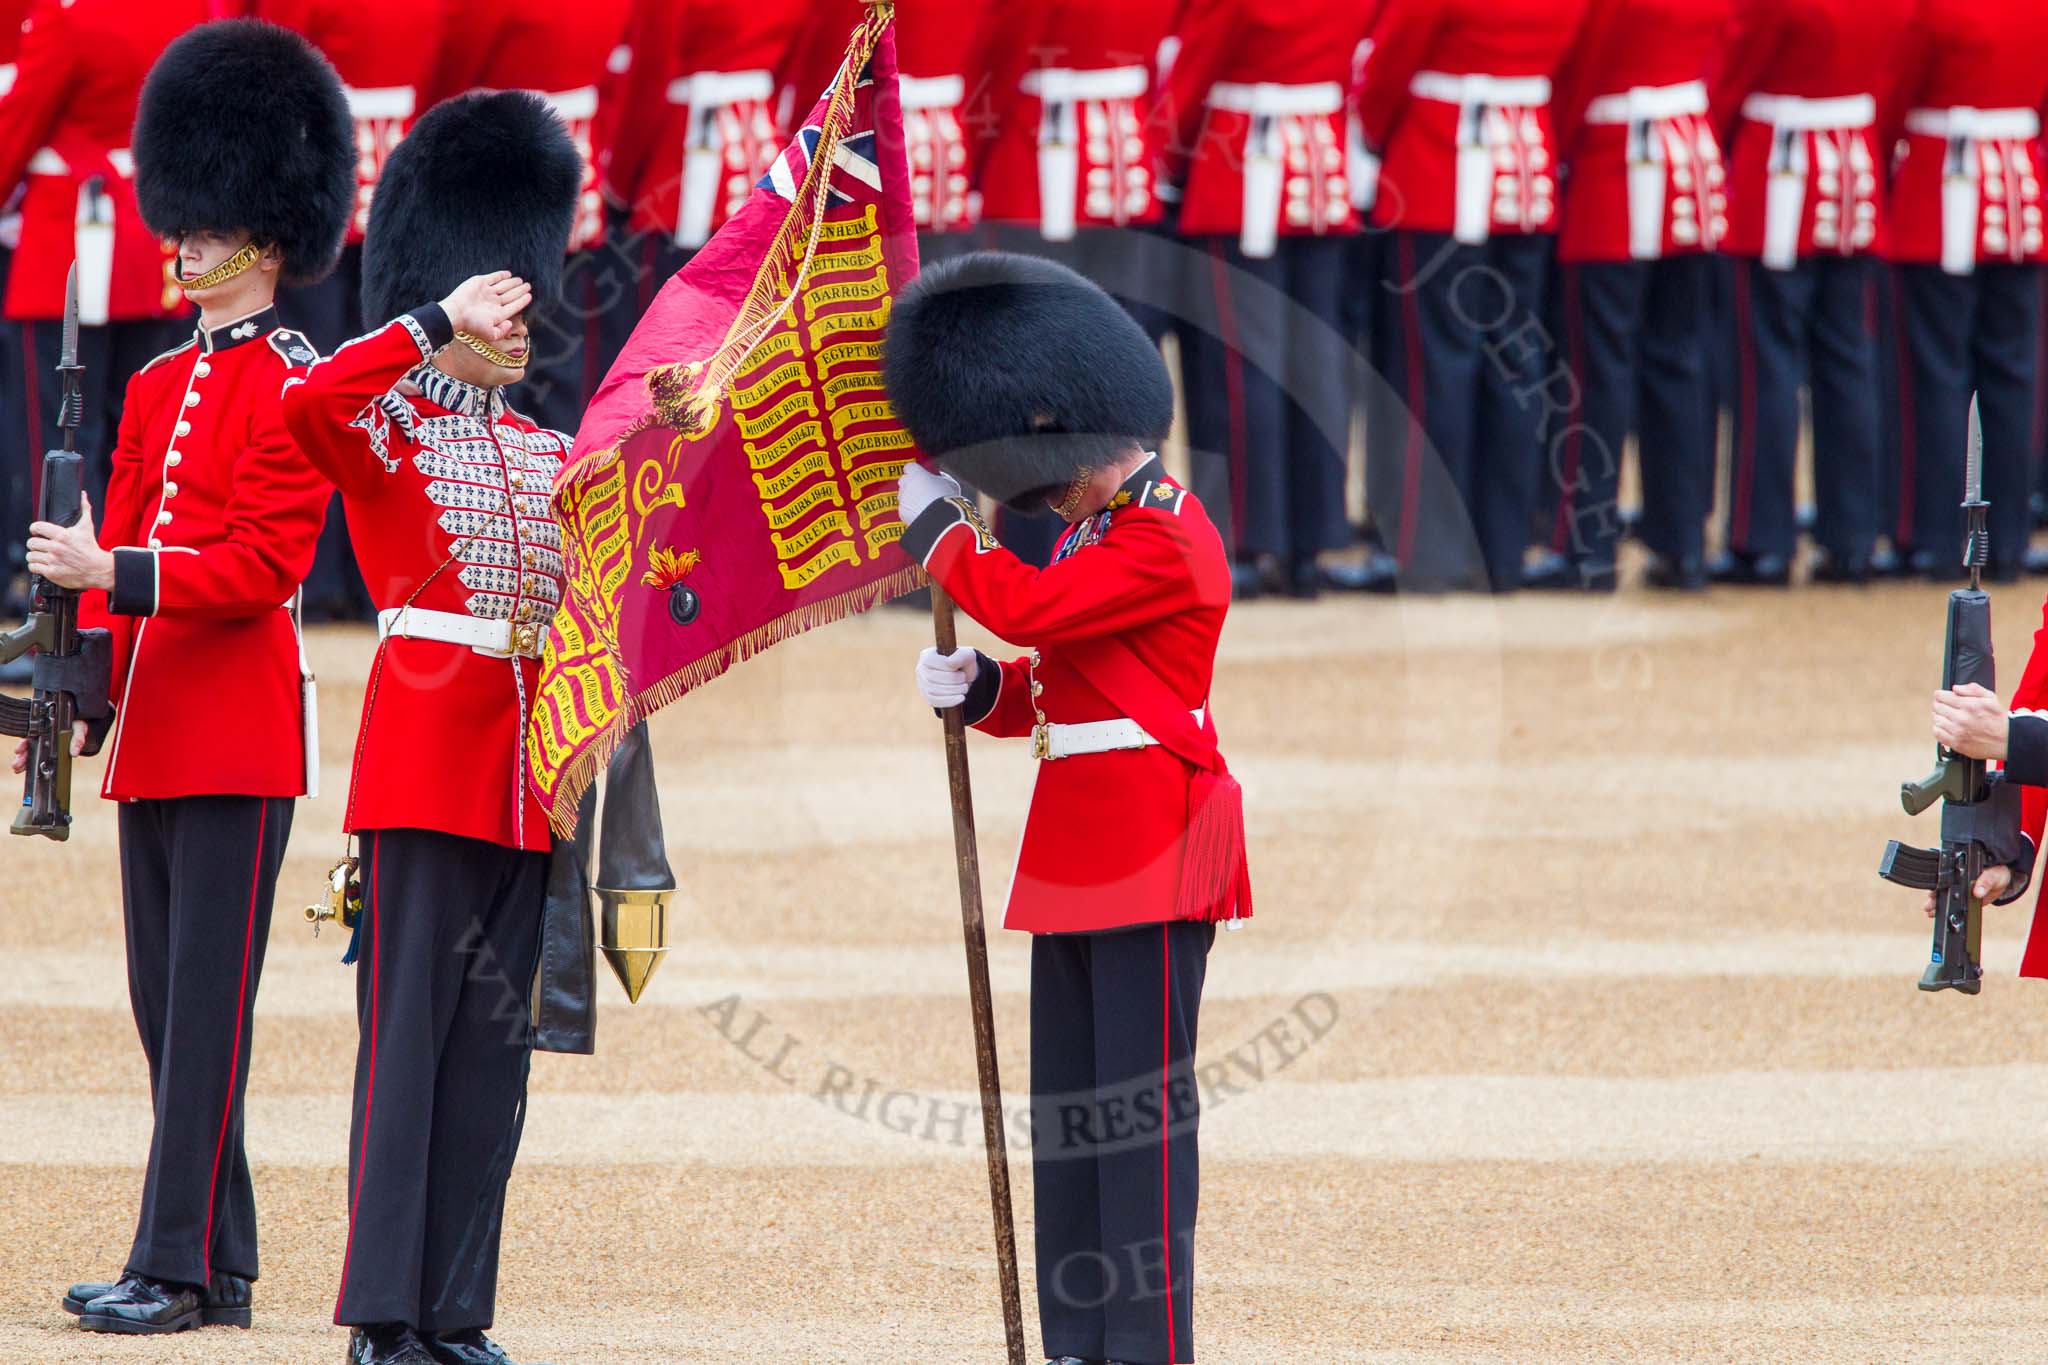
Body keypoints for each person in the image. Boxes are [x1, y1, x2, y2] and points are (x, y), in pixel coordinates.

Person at [20, 17, 349, 1336]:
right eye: (187, 219)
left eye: (211, 225)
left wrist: (112, 568)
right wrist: (66, 680)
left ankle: (171, 1263)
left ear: (269, 233)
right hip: (154, 731)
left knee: (205, 1013)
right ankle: (221, 1257)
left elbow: (261, 566)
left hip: (237, 734)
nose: (188, 239)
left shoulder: (297, 381)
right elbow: (131, 571)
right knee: (168, 1012)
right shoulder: (159, 379)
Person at [886, 251, 1252, 1365]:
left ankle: (1145, 1346)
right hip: (1082, 844)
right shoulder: (1101, 527)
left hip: (1149, 844)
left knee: (1135, 1131)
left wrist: (940, 536)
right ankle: (1082, 1340)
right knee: (1072, 1123)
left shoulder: (1166, 533)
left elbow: (1034, 609)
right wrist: (985, 692)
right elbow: (1066, 679)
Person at [279, 88, 583, 1365]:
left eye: (521, 302)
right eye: (497, 305)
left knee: (489, 1063)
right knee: (406, 1054)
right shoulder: (389, 430)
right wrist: (423, 319)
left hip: (527, 774)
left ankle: (455, 1309)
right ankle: (379, 1315)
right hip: (420, 765)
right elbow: (309, 409)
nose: (517, 323)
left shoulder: (550, 451)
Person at [1356, 0, 1590, 594]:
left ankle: (1425, 553)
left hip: (1440, 162)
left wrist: (1376, 136)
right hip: (1525, 167)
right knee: (1515, 369)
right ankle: (1501, 550)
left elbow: (1387, 67)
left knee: (1432, 370)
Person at [1158, 0, 1367, 600]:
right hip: (1320, 170)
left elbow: (1196, 73)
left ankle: (1246, 541)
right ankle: (1310, 542)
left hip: (1240, 163)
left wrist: (1169, 157)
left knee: (1237, 368)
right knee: (1317, 361)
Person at [1708, 0, 1913, 585]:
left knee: (1765, 367)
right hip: (1854, 171)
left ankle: (1763, 540)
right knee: (1849, 362)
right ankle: (1850, 538)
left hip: (1779, 173)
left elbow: (1731, 76)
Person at [1531, 0, 1730, 592]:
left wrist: (1554, 144)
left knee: (1597, 370)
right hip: (1689, 161)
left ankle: (1587, 545)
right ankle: (1682, 542)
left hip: (1616, 165)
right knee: (1679, 363)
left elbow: (1581, 71)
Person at [974, 0, 1179, 568]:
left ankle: (1036, 538)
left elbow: (1001, 52)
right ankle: (1129, 530)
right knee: (1119, 364)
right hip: (1124, 157)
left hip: (1038, 156)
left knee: (1036, 372)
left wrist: (977, 152)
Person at [261, 0, 441, 624]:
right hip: (402, 165)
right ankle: (372, 574)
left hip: (321, 168)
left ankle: (326, 572)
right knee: (390, 373)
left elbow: (280, 74)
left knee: (317, 379)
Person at [0, 0, 199, 505]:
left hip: (67, 243)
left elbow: (16, 129)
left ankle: (56, 573)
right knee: (137, 434)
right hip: (153, 243)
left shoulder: (67, 16)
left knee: (57, 435)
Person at [1882, 0, 2048, 583]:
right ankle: (2005, 542)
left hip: (1943, 190)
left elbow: (1896, 91)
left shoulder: (1933, 10)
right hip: (2021, 195)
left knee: (1935, 376)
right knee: (2013, 375)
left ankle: (1934, 536)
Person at [424, 0, 631, 439]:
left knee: (490, 340)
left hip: (499, 177)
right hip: (575, 168)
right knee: (563, 348)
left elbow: (451, 76)